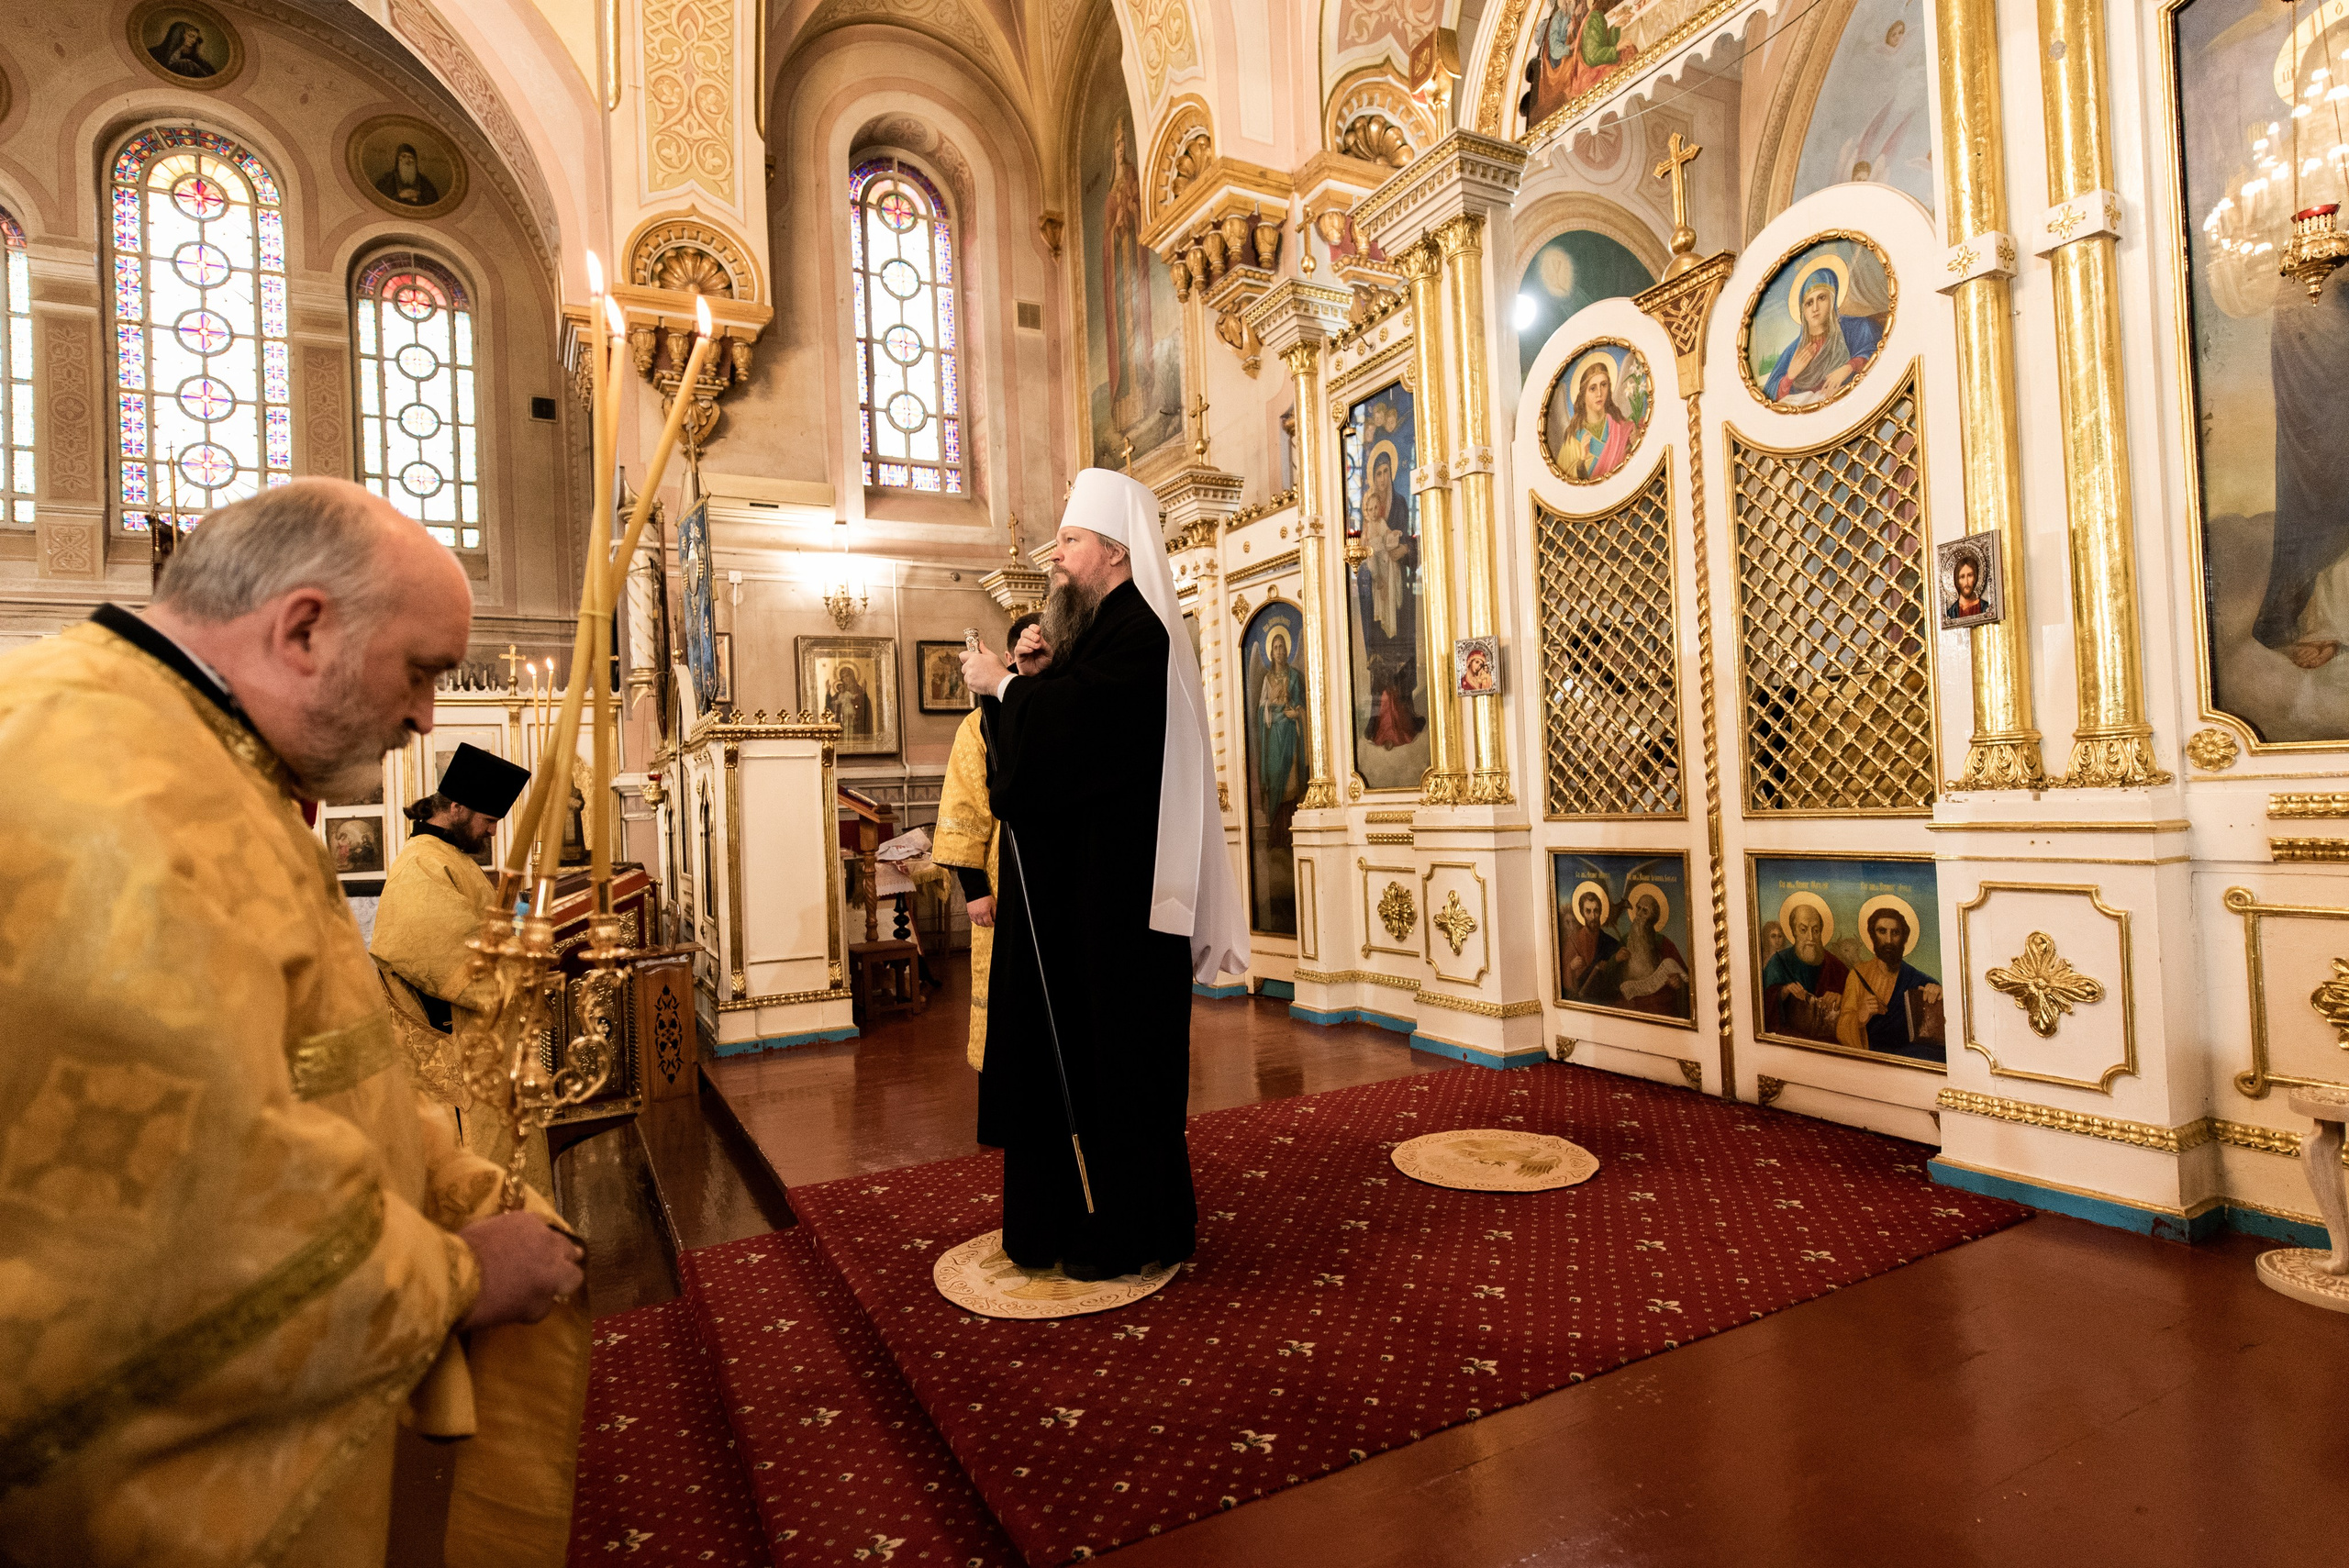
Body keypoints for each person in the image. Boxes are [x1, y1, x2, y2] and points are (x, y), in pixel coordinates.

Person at [0, 479, 587, 1565]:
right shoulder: (107, 790)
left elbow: (307, 1058)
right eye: (421, 671)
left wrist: (455, 1184)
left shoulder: (187, 755)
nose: (423, 714)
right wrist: (459, 1272)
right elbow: (164, 1227)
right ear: (304, 626)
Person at [957, 468, 1249, 1281]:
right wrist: (1031, 676)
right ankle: (1068, 1218)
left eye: (1072, 541)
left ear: (1114, 552)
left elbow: (1082, 739)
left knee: (1120, 1066)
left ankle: (1128, 1226)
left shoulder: (1140, 634)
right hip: (1083, 902)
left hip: (1121, 910)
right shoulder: (1099, 630)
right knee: (1082, 1063)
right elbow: (1055, 745)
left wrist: (1009, 688)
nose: (1056, 554)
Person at [371, 741, 529, 1125]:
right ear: (456, 807)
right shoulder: (422, 862)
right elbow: (446, 955)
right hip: (460, 1053)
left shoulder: (449, 856)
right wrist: (525, 968)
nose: (493, 830)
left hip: (481, 1046)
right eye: (488, 820)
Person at [932, 612, 1049, 1072]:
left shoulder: (1060, 707)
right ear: (1007, 658)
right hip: (1003, 874)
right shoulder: (979, 725)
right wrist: (975, 889)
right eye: (1027, 652)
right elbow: (963, 808)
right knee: (1007, 985)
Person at [1763, 264, 1887, 405]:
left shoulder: (1857, 327)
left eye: (1821, 298)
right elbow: (1768, 397)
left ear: (1832, 300)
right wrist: (1789, 377)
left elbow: (1880, 351)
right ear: (1803, 311)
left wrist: (1850, 366)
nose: (1815, 308)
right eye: (1809, 303)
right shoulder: (1793, 351)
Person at [1837, 905, 1945, 1062]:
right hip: (1873, 1061)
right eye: (1882, 931)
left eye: (1895, 933)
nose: (1888, 940)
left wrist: (1939, 995)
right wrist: (1860, 1017)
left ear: (1904, 938)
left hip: (1911, 1061)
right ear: (1873, 936)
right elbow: (1842, 1029)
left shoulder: (1919, 980)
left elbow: (1941, 1034)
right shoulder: (1858, 975)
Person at [1762, 895, 1849, 1041]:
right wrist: (1784, 992)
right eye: (1803, 929)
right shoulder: (1778, 962)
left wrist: (1842, 998)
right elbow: (1762, 1005)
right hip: (1791, 1043)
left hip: (1829, 1046)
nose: (1810, 937)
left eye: (1815, 930)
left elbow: (1854, 1004)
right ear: (1794, 931)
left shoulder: (1835, 966)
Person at [1554, 355, 1637, 483]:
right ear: (1583, 395)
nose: (1599, 393)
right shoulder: (1573, 437)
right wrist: (1581, 460)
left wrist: (1636, 441)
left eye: (1603, 385)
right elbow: (1562, 483)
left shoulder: (1621, 428)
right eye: (1592, 388)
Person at [374, 143, 442, 206]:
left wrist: (418, 199)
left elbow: (434, 203)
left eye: (411, 157)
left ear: (415, 161)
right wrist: (400, 196)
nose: (407, 160)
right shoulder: (387, 178)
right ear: (398, 159)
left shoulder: (424, 181)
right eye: (403, 156)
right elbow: (378, 199)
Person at [1946, 549, 1988, 621]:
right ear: (1957, 580)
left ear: (1975, 577)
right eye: (1962, 577)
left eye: (1970, 575)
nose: (1966, 582)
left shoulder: (1985, 607)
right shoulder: (1951, 613)